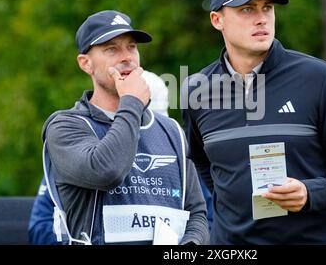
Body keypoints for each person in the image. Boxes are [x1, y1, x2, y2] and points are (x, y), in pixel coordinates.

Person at [181, 0, 326, 244]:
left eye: (267, 8)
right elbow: (200, 165)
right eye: (247, 9)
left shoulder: (319, 78)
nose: (261, 19)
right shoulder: (196, 90)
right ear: (217, 20)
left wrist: (309, 193)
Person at [41, 10, 208, 245]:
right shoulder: (65, 126)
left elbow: (196, 213)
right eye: (112, 49)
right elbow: (107, 171)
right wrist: (131, 102)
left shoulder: (171, 131)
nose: (126, 57)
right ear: (85, 63)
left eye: (131, 47)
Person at [29, 70, 213, 243]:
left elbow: (202, 216)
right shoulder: (76, 139)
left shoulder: (174, 137)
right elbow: (40, 225)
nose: (144, 128)